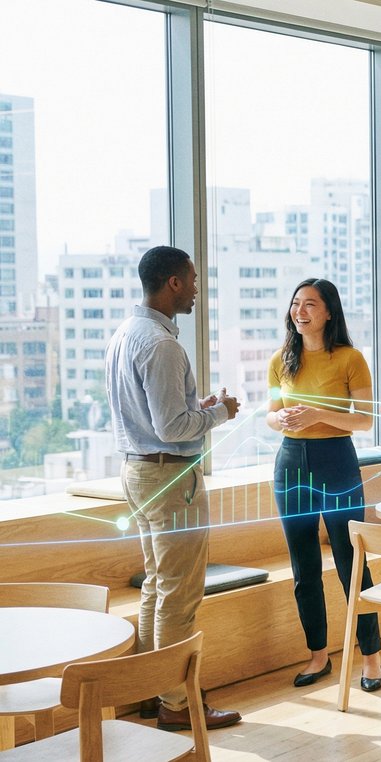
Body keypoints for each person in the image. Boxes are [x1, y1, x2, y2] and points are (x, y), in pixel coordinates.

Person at [105, 246, 243, 731]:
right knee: (180, 595)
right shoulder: (162, 344)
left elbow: (156, 416)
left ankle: (151, 691)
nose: (197, 288)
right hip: (170, 479)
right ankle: (177, 703)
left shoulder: (125, 334)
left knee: (157, 585)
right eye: (193, 279)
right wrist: (220, 412)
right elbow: (171, 428)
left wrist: (194, 408)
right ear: (173, 283)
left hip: (139, 472)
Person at [266, 279, 381, 692]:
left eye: (310, 304)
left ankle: (370, 658)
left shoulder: (350, 358)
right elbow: (271, 414)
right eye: (296, 303)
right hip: (291, 465)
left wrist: (317, 414)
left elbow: (364, 420)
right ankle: (318, 655)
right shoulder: (281, 359)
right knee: (304, 569)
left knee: (352, 563)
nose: (300, 311)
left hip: (337, 463)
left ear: (329, 312)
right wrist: (280, 419)